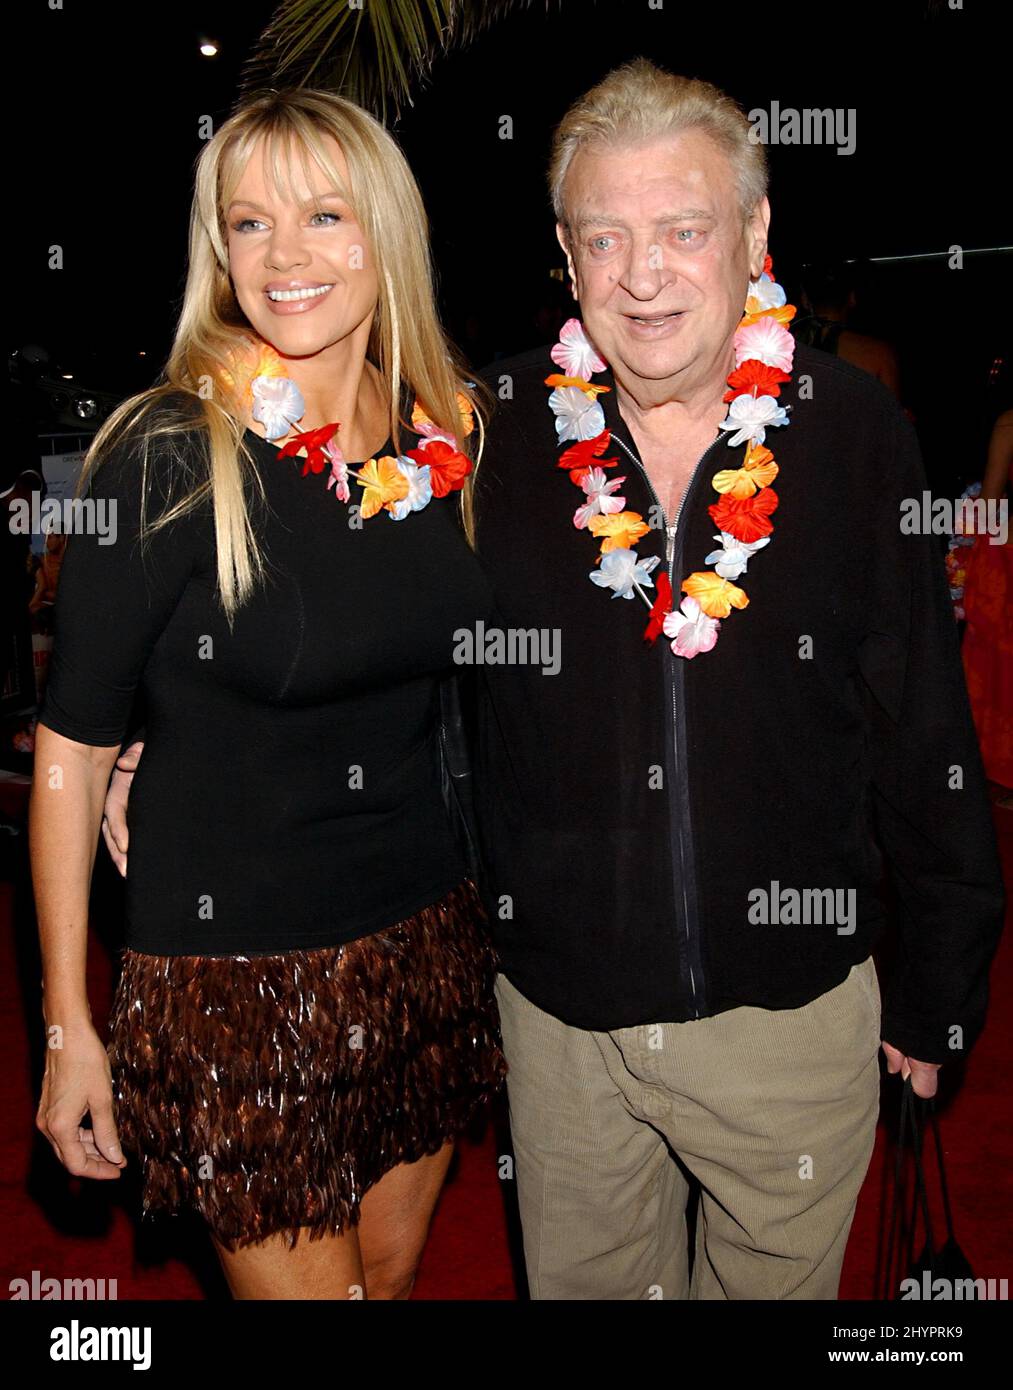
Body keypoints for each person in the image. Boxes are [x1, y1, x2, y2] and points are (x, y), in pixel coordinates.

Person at [105, 60, 1006, 1303]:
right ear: (565, 255)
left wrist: (941, 969)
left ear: (752, 233)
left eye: (683, 230)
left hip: (789, 1020)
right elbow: (378, 625)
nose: (643, 274)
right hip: (556, 1024)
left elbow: (924, 719)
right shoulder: (485, 433)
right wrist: (185, 745)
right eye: (605, 236)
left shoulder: (854, 430)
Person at [30, 87, 507, 1301]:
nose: (283, 257)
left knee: (388, 1283)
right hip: (227, 979)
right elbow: (72, 748)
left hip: (420, 946)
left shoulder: (447, 436)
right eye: (248, 224)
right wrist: (68, 1026)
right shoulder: (168, 451)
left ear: (385, 231)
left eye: (324, 215)